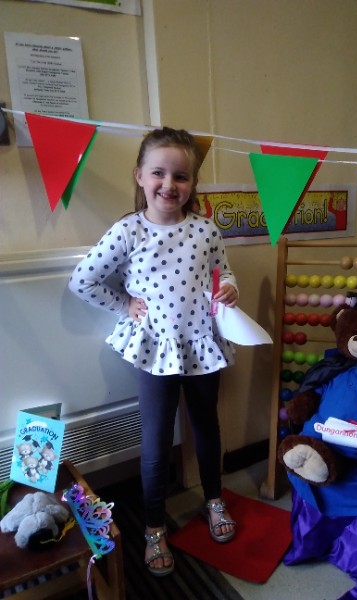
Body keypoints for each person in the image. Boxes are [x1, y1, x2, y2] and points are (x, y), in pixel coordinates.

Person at [68, 127, 239, 577]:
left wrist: (230, 289)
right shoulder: (128, 230)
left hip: (201, 344)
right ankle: (154, 526)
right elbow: (83, 280)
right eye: (159, 173)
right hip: (155, 350)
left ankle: (214, 498)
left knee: (207, 427)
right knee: (157, 439)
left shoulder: (205, 229)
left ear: (193, 183)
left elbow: (223, 272)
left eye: (181, 176)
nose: (169, 184)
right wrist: (124, 304)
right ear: (140, 176)